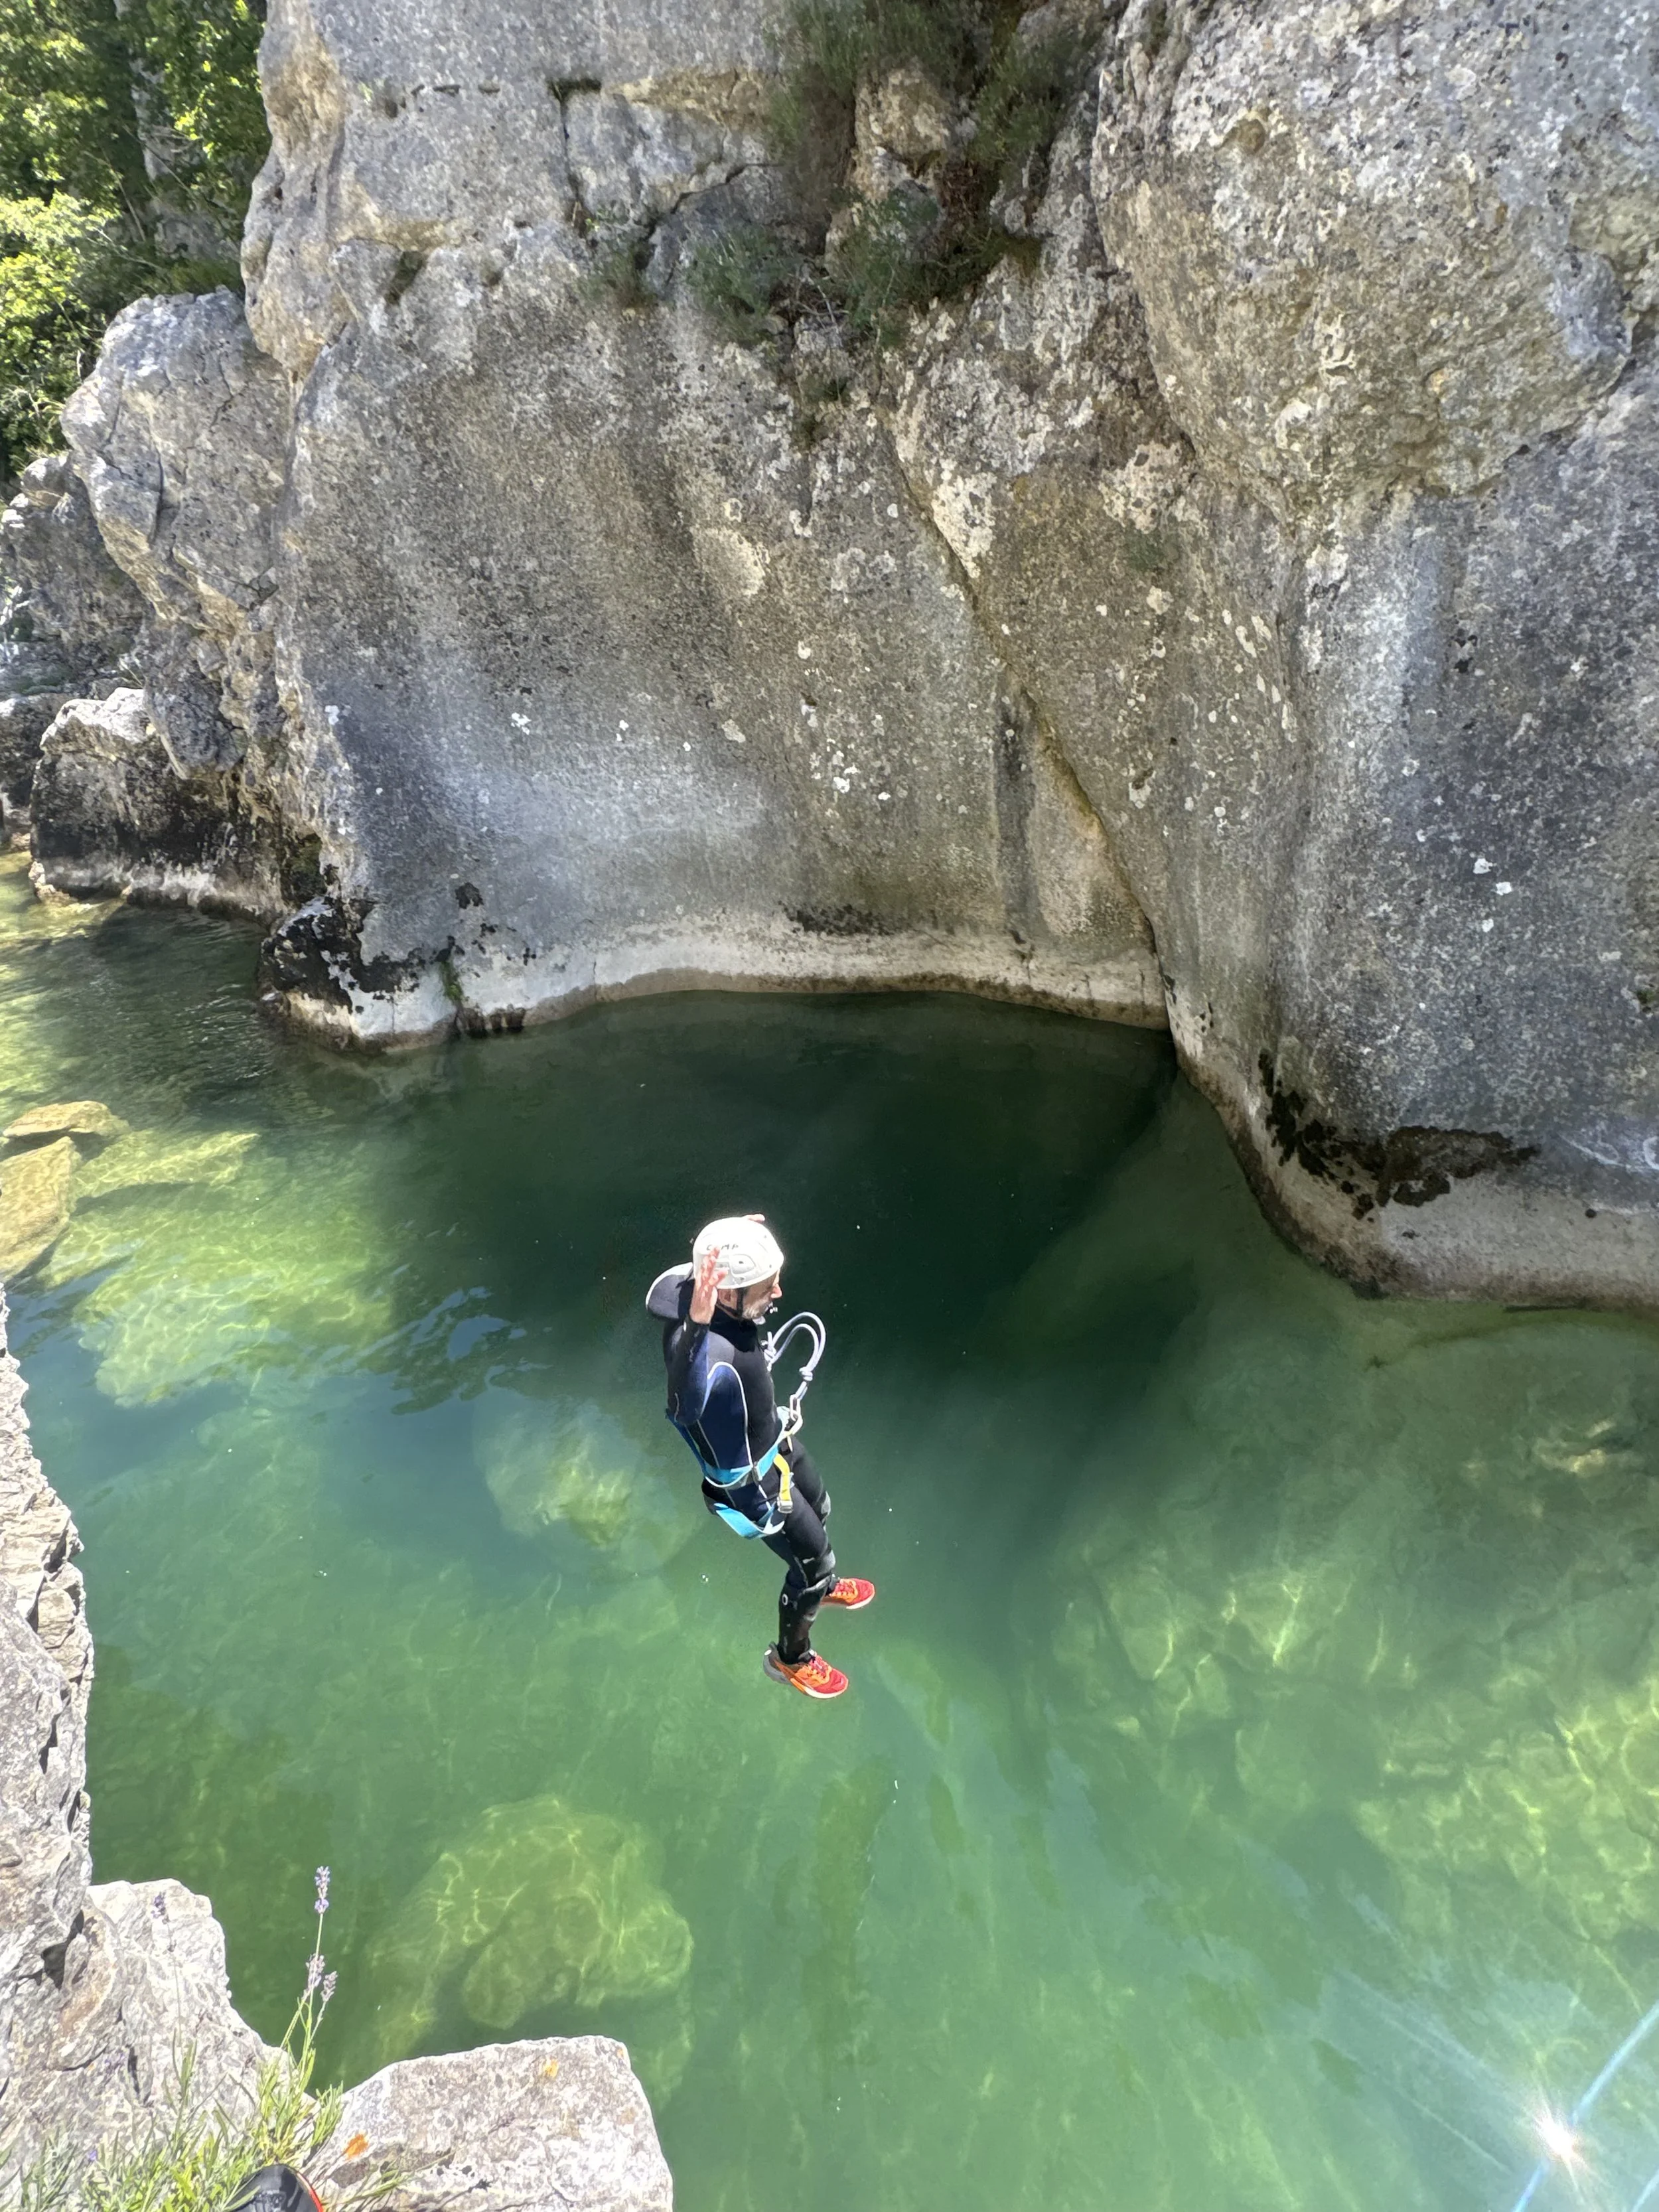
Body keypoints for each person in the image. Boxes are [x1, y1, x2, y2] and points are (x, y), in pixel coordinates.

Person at [648, 1215, 873, 1700]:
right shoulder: (703, 1347)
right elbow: (682, 1408)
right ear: (728, 1296)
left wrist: (733, 1227)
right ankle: (790, 1658)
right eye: (767, 1286)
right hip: (752, 1486)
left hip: (776, 1442)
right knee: (813, 1566)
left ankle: (821, 1577)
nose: (779, 1293)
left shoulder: (713, 1287)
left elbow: (710, 1248)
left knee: (824, 1507)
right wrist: (696, 1327)